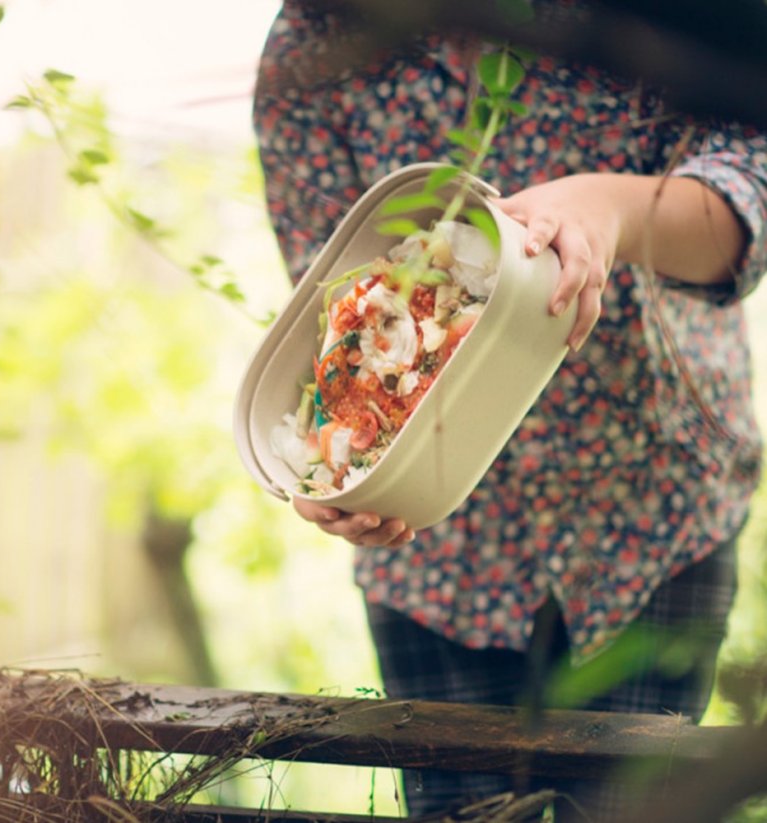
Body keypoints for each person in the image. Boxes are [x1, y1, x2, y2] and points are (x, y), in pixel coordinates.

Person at [252, 1, 767, 818]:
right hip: (439, 556)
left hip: (653, 511)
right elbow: (333, 297)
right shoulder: (320, 36)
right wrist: (341, 466)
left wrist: (609, 208)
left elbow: (750, 188)